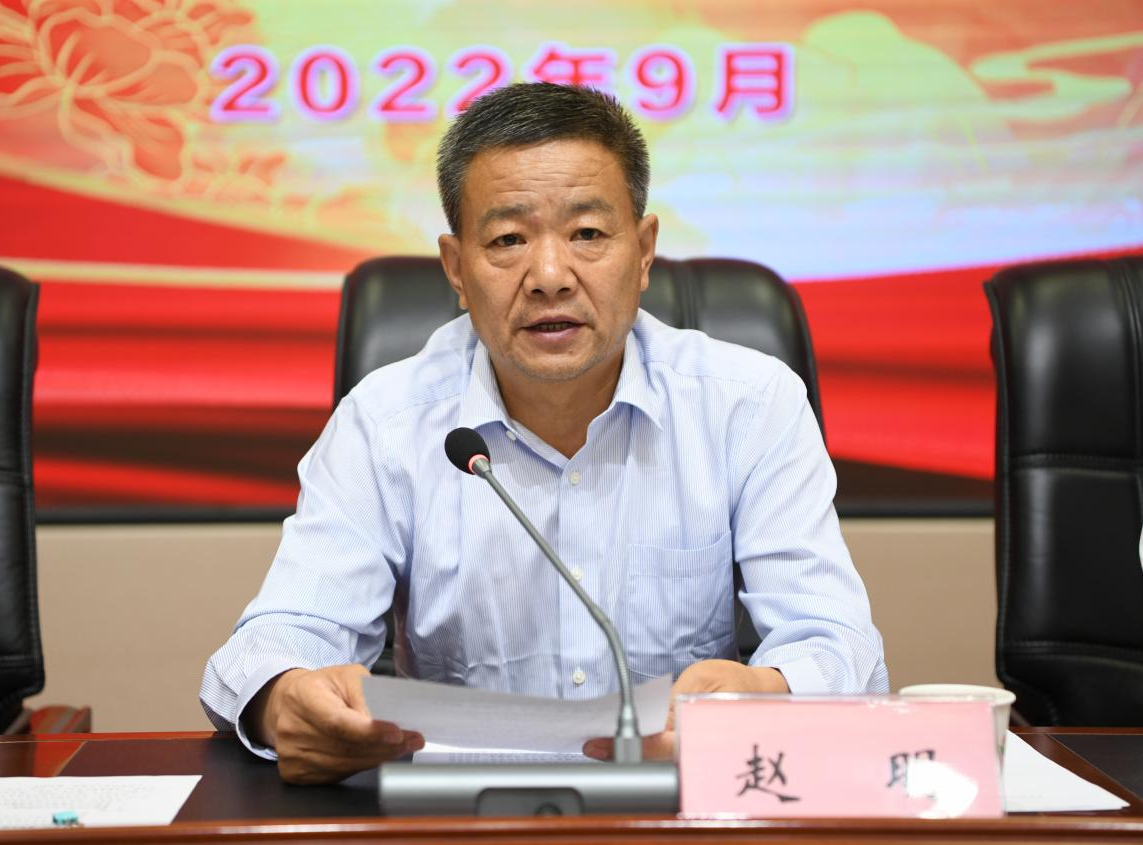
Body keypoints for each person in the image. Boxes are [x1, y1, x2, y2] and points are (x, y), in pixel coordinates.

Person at [202, 82, 888, 784]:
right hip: (458, 817)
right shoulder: (385, 423)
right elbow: (277, 637)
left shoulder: (749, 405)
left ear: (643, 251)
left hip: (679, 809)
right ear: (456, 269)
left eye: (587, 234)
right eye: (507, 239)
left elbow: (839, 644)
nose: (550, 276)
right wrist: (283, 699)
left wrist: (766, 693)